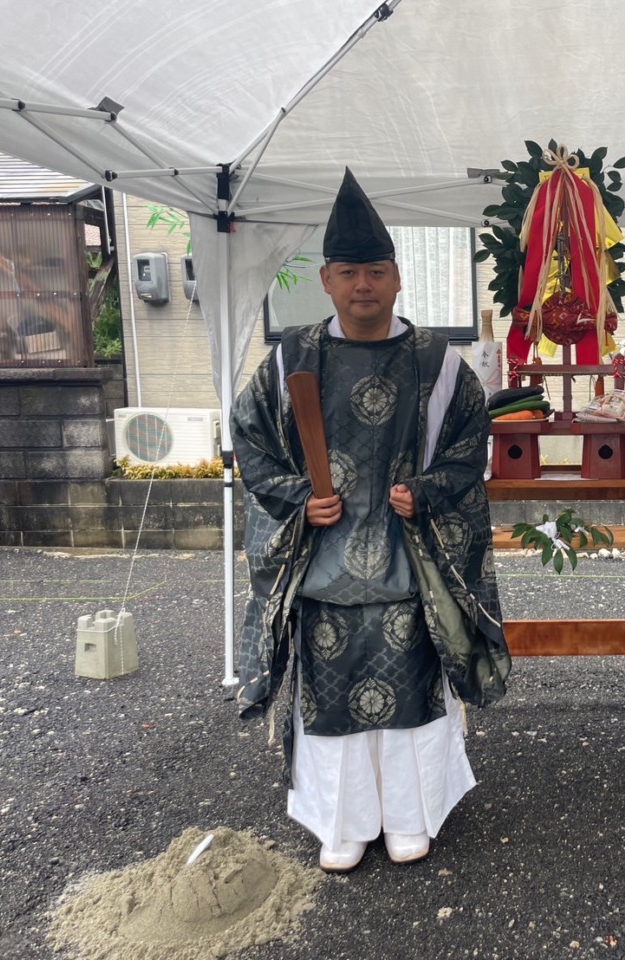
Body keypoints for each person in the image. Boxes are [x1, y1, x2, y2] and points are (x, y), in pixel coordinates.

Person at [232, 168, 509, 874]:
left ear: (397, 279)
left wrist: (427, 492)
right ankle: (343, 824)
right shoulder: (289, 361)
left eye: (377, 272)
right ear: (326, 279)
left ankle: (411, 817)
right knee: (330, 704)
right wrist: (298, 497)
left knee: (412, 695)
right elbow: (251, 443)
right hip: (323, 562)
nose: (364, 285)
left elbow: (468, 449)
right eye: (350, 273)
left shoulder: (439, 364)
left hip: (406, 560)